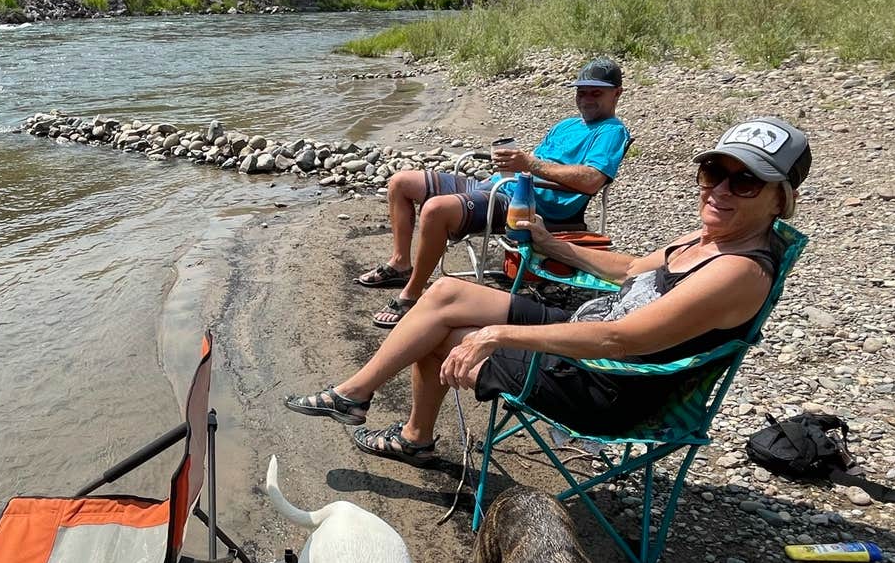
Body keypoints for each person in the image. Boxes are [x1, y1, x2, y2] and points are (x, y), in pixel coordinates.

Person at [288, 117, 810, 463]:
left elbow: (621, 341)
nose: (720, 190)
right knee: (446, 295)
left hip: (607, 385)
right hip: (591, 332)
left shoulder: (737, 271)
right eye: (714, 172)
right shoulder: (710, 237)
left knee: (443, 336)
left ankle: (413, 439)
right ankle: (355, 395)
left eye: (745, 182)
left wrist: (495, 335)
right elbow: (632, 269)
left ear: (780, 200)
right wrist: (551, 244)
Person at [357, 58, 631, 328]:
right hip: (502, 185)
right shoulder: (566, 125)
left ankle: (412, 294)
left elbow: (592, 180)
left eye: (596, 93)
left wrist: (528, 164)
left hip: (527, 204)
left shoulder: (611, 131)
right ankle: (401, 263)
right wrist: (511, 165)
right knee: (401, 182)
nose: (586, 99)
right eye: (582, 92)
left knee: (435, 210)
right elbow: (537, 161)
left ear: (616, 93)